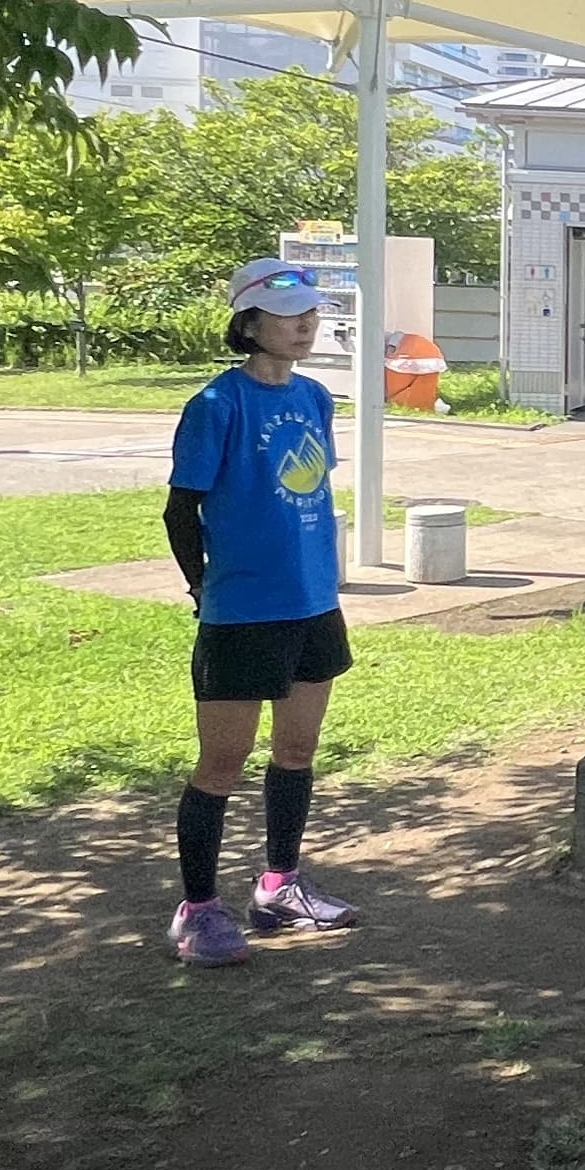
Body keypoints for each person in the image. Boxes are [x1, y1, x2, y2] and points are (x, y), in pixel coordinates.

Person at [161, 257, 359, 964]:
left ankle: (280, 885)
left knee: (297, 752)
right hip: (242, 612)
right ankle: (197, 911)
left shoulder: (315, 397)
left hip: (313, 604)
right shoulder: (217, 405)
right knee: (222, 763)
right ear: (248, 324)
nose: (305, 324)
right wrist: (203, 588)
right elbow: (181, 510)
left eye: (311, 313)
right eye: (287, 314)